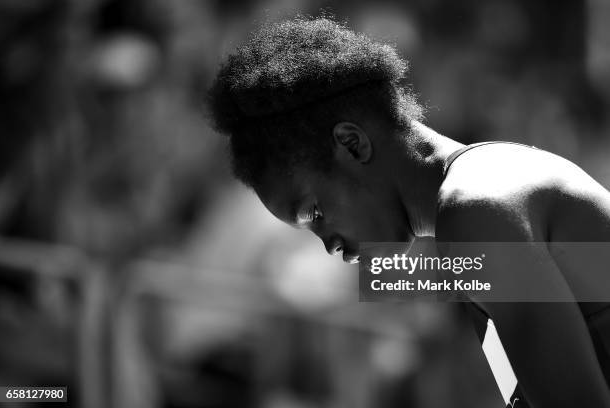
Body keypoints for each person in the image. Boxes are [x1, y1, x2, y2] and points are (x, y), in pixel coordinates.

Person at [207, 17, 610, 407]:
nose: (328, 245)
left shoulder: (476, 209)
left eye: (314, 213)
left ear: (351, 144)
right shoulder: (479, 201)